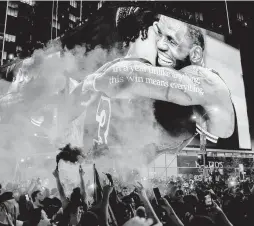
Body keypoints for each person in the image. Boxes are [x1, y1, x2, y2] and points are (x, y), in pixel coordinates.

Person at [64, 11, 235, 163]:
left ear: (195, 54)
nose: (160, 44)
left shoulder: (209, 82)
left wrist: (92, 83)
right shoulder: (155, 78)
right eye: (159, 33)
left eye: (171, 40)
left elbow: (130, 77)